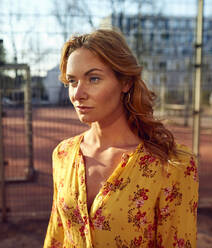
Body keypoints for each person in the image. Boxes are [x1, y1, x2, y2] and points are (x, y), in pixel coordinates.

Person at [44, 29, 199, 248]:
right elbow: (57, 235)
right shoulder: (63, 153)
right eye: (72, 81)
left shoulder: (172, 164)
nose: (78, 94)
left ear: (125, 82)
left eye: (93, 78)